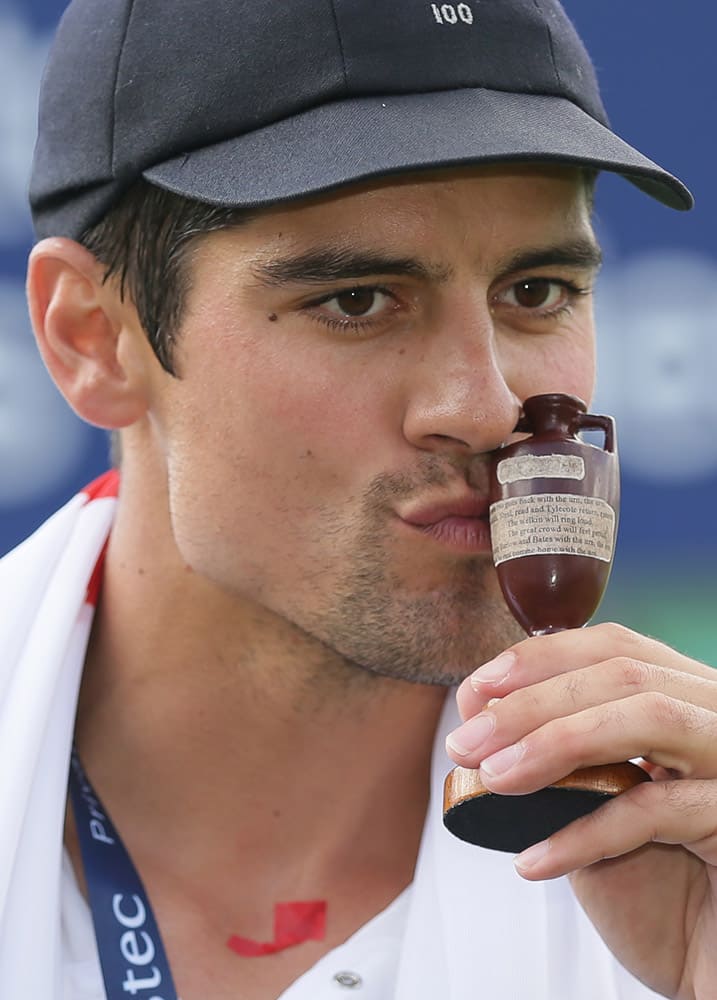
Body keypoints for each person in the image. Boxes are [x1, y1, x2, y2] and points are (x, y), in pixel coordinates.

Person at [2, 0, 715, 997]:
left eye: (538, 289)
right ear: (92, 337)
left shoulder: (692, 878)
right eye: (357, 300)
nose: (485, 405)